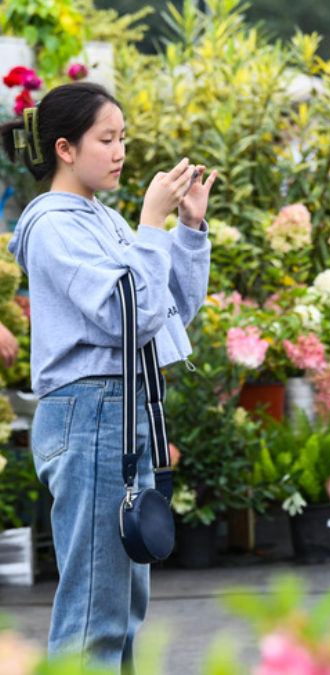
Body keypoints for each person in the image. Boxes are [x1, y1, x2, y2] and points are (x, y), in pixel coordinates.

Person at [1, 81, 218, 673]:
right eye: (107, 138)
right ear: (65, 149)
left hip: (115, 413)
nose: (120, 151)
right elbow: (130, 315)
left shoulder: (100, 219)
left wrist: (189, 232)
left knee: (122, 605)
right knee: (97, 606)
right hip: (91, 410)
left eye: (123, 137)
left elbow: (166, 313)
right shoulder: (52, 226)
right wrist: (151, 222)